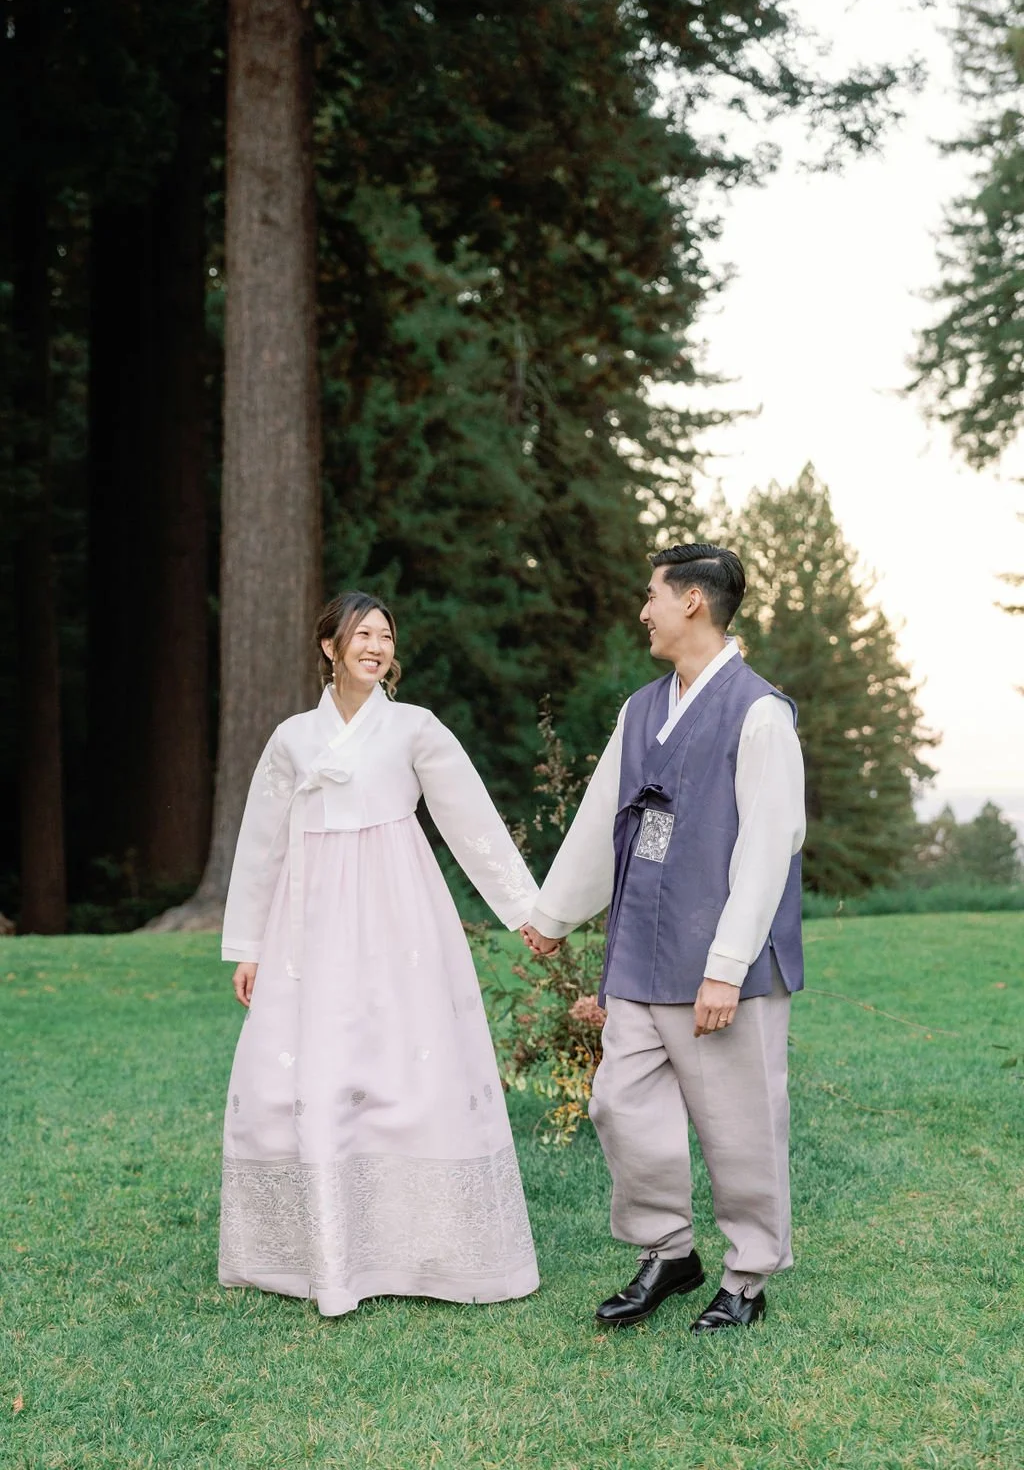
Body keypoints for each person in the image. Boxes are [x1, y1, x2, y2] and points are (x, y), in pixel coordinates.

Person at [219, 590, 540, 1316]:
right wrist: (248, 945)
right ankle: (316, 1251)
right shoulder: (293, 738)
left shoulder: (416, 729)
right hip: (309, 917)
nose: (376, 645)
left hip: (398, 910)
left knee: (406, 1054)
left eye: (386, 636)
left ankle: (425, 1246)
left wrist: (526, 908)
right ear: (329, 647)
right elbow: (263, 841)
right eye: (361, 634)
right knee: (310, 1063)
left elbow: (468, 816)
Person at [523, 544, 805, 1332]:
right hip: (640, 955)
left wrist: (725, 967)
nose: (642, 611)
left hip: (724, 968)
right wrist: (553, 917)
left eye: (651, 595)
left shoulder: (759, 712)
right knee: (620, 1104)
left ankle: (747, 1279)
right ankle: (668, 1252)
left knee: (740, 1122)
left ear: (693, 602)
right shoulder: (641, 708)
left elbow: (767, 849)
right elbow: (598, 819)